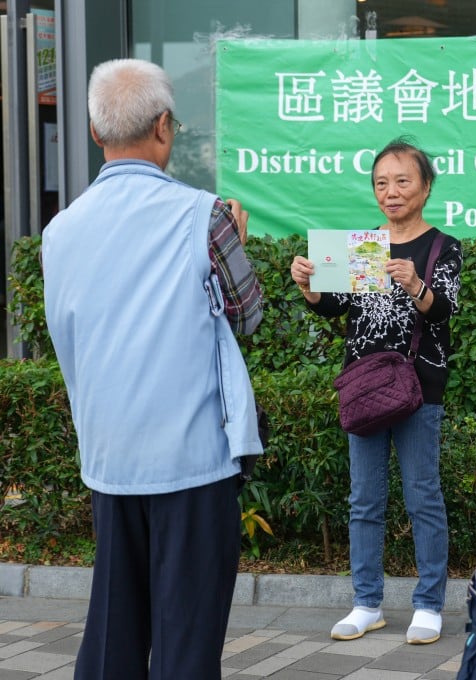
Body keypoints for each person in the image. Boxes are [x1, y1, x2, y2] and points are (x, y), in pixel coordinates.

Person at [41, 58, 264, 679]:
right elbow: (248, 317)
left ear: (94, 133)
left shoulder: (59, 232)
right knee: (185, 641)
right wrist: (237, 247)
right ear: (164, 126)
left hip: (110, 461)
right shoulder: (206, 215)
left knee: (113, 630)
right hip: (192, 463)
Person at [289, 138, 462, 645]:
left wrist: (415, 284)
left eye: (402, 180)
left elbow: (443, 310)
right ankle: (367, 603)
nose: (392, 192)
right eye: (382, 183)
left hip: (418, 388)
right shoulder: (366, 243)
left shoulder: (439, 247)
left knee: (422, 496)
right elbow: (336, 306)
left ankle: (428, 605)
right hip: (364, 388)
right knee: (364, 499)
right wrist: (311, 288)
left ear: (426, 186)